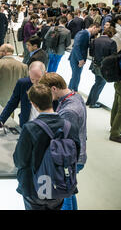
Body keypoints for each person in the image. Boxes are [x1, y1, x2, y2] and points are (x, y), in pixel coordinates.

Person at [13, 84, 80, 210]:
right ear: (51, 98)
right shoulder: (70, 126)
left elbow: (20, 160)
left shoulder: (30, 128)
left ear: (33, 104)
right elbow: (75, 154)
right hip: (59, 184)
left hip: (35, 188)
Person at [39, 72, 87, 210]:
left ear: (54, 88)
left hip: (70, 159)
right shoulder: (75, 96)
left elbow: (64, 143)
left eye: (47, 92)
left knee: (63, 196)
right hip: (77, 155)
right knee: (69, 192)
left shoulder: (69, 111)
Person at [0, 61, 46, 130]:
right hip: (26, 126)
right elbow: (12, 103)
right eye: (32, 79)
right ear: (29, 73)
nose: (35, 83)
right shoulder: (23, 83)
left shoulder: (51, 85)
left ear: (45, 73)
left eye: (38, 79)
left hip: (45, 127)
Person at [87, 27, 117, 108]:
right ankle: (93, 103)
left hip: (95, 64)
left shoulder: (95, 40)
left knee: (97, 83)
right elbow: (113, 58)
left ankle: (89, 101)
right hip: (104, 67)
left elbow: (91, 53)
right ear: (111, 34)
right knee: (100, 84)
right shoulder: (112, 42)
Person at [68, 23, 101, 92]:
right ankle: (73, 92)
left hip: (78, 58)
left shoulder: (87, 35)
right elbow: (76, 46)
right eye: (97, 30)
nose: (97, 32)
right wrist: (80, 59)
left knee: (75, 76)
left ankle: (69, 91)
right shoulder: (83, 33)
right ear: (94, 27)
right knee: (76, 77)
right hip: (76, 58)